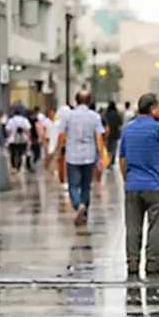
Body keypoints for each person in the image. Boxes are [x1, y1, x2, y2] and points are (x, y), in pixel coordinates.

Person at [120, 93, 159, 276]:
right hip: (156, 185)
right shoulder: (158, 128)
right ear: (153, 109)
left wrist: (127, 179)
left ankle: (132, 262)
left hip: (133, 185)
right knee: (157, 225)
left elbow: (122, 158)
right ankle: (153, 262)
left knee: (132, 226)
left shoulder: (128, 129)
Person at [56, 91, 107, 226]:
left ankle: (78, 205)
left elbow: (61, 134)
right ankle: (84, 208)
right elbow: (99, 138)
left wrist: (58, 150)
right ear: (89, 101)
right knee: (86, 186)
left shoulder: (68, 116)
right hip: (89, 155)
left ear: (76, 100)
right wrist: (101, 155)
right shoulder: (95, 117)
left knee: (73, 185)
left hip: (72, 155)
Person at [5, 108, 31, 172]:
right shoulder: (25, 120)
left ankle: (13, 166)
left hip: (12, 140)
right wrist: (29, 138)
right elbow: (28, 130)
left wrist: (8, 137)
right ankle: (18, 166)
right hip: (23, 139)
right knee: (20, 153)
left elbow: (8, 130)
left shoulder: (11, 120)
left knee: (13, 153)